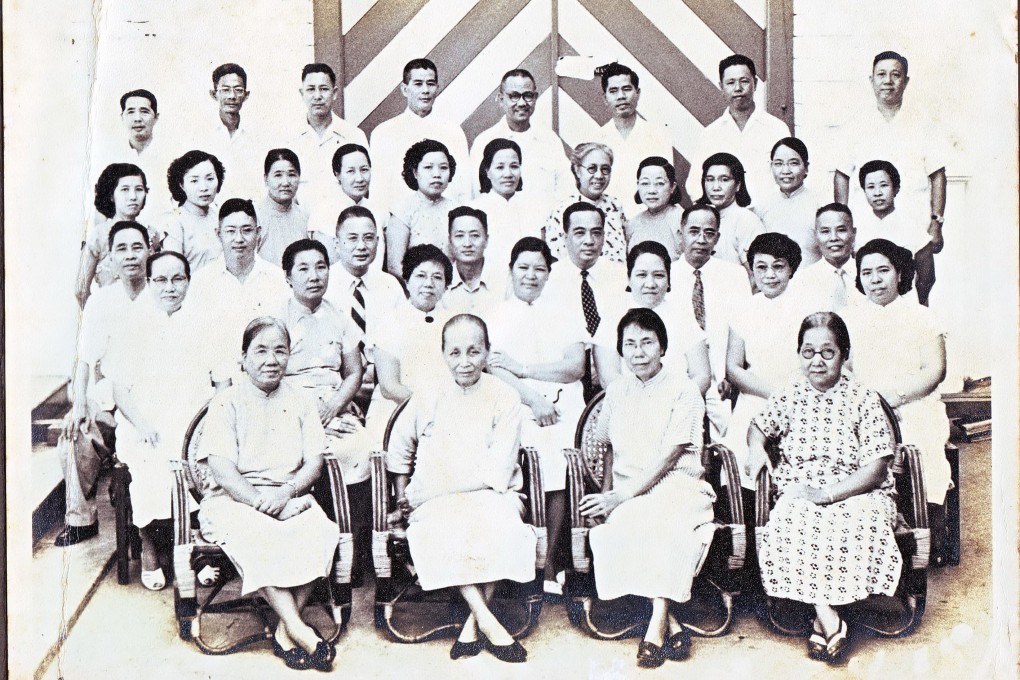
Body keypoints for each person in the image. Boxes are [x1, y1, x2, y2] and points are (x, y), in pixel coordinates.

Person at [747, 312, 902, 665]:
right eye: (808, 352)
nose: (817, 361)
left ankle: (821, 621)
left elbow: (877, 467)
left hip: (858, 491)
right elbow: (758, 427)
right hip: (802, 489)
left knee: (857, 521)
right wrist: (756, 447)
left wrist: (829, 495)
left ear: (844, 354)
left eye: (827, 352)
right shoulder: (789, 394)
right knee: (792, 520)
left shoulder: (863, 397)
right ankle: (828, 617)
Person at [386, 314, 535, 664]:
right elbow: (399, 447)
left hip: (491, 494)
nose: (464, 361)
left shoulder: (505, 396)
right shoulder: (427, 394)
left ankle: (472, 623)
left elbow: (497, 471)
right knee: (442, 531)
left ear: (487, 352)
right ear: (443, 354)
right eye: (454, 352)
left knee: (501, 527)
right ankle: (487, 621)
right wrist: (402, 493)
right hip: (433, 502)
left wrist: (432, 491)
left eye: (473, 351)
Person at [197, 317, 340, 671]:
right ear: (243, 358)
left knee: (320, 531)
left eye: (280, 350)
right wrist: (265, 506)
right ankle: (299, 628)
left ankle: (282, 630)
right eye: (260, 350)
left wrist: (288, 493)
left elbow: (314, 463)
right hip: (234, 500)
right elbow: (222, 470)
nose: (271, 359)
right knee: (259, 535)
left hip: (288, 495)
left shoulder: (302, 399)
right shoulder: (226, 401)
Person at [580, 308, 716, 668]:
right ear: (621, 352)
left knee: (662, 524)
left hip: (680, 486)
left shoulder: (684, 390)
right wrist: (608, 495)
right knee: (625, 525)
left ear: (662, 347)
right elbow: (605, 447)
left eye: (646, 343)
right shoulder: (617, 391)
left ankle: (654, 627)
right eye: (630, 345)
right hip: (629, 489)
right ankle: (670, 622)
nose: (638, 352)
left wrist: (622, 496)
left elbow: (672, 454)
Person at [111, 251, 217, 591]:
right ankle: (149, 545)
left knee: (200, 459)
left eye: (178, 279)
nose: (170, 287)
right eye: (161, 280)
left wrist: (210, 422)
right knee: (152, 462)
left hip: (193, 423)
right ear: (150, 282)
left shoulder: (205, 323)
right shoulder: (132, 325)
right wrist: (142, 424)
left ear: (188, 281)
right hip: (145, 424)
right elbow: (120, 391)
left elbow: (223, 385)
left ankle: (193, 550)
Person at [487, 237, 586, 596]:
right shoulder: (495, 314)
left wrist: (524, 367)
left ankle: (548, 560)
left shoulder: (565, 312)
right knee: (527, 451)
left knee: (559, 453)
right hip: (516, 403)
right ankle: (524, 559)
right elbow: (495, 369)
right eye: (523, 268)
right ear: (511, 270)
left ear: (548, 274)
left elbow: (574, 367)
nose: (531, 275)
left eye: (539, 269)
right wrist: (533, 400)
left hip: (563, 405)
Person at [843, 238, 951, 557]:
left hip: (914, 403)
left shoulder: (922, 317)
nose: (875, 279)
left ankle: (919, 530)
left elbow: (935, 371)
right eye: (867, 273)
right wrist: (867, 402)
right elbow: (843, 370)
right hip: (862, 406)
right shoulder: (847, 318)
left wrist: (894, 398)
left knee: (918, 443)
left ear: (899, 274)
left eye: (883, 271)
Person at [277, 238, 369, 583]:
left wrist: (334, 407)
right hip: (289, 408)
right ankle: (305, 563)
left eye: (321, 267)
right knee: (299, 456)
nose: (314, 275)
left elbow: (354, 372)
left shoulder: (339, 317)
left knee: (359, 448)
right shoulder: (276, 318)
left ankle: (349, 556)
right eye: (303, 268)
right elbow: (269, 375)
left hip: (333, 406)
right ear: (288, 277)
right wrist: (309, 413)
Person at [56, 222, 153, 546]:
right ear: (109, 257)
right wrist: (80, 404)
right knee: (75, 435)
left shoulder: (161, 293)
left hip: (151, 401)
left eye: (137, 247)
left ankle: (152, 522)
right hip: (109, 400)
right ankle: (81, 519)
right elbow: (85, 359)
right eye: (121, 249)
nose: (130, 256)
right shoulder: (101, 301)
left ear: (150, 250)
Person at [834, 51, 946, 304]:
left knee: (917, 289)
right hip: (868, 221)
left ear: (906, 81)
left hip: (913, 221)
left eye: (896, 75)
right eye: (881, 75)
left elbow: (937, 174)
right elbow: (841, 175)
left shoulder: (923, 124)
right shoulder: (855, 124)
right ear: (871, 80)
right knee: (867, 289)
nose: (888, 81)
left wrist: (936, 221)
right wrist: (843, 224)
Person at [187, 199, 291, 384]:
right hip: (213, 384)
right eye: (230, 231)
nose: (239, 239)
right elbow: (194, 342)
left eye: (247, 230)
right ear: (218, 234)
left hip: (267, 381)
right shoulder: (201, 282)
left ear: (258, 233)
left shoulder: (276, 279)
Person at [670, 204, 751, 438]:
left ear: (717, 238)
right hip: (680, 379)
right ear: (681, 234)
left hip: (721, 382)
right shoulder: (667, 275)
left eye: (709, 233)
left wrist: (729, 377)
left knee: (729, 439)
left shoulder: (733, 276)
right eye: (694, 231)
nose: (701, 239)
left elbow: (741, 331)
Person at [364, 245, 455, 450]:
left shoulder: (454, 322)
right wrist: (427, 413)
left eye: (437, 278)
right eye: (421, 275)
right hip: (398, 408)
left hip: (445, 412)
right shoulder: (390, 321)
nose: (428, 284)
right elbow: (389, 387)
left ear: (446, 285)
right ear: (407, 280)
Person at [593, 240, 711, 396]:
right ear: (629, 278)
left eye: (659, 275)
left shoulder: (682, 315)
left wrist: (676, 401)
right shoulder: (613, 315)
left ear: (669, 280)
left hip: (677, 405)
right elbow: (608, 377)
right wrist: (643, 402)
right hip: (628, 405)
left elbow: (702, 375)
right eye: (641, 275)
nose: (650, 283)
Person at [542, 202, 627, 402]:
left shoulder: (622, 277)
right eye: (580, 233)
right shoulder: (550, 280)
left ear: (604, 237)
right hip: (568, 383)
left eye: (596, 233)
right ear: (565, 238)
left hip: (616, 376)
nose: (589, 241)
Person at [686, 54, 791, 203]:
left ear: (755, 83)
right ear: (721, 87)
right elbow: (695, 184)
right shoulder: (710, 134)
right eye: (730, 82)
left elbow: (790, 178)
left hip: (769, 216)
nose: (738, 88)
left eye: (744, 81)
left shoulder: (777, 129)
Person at [370, 58, 471, 208]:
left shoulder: (453, 131)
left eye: (430, 84)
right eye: (418, 84)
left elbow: (463, 188)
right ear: (404, 89)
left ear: (437, 88)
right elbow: (378, 191)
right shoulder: (384, 132)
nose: (425, 90)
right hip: (399, 221)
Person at [469, 68, 568, 215]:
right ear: (501, 99)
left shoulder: (550, 141)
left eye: (528, 96)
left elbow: (565, 191)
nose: (522, 103)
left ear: (535, 98)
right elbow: (477, 194)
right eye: (514, 96)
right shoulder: (484, 142)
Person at [593, 62, 676, 217]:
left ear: (637, 93)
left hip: (650, 218)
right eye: (613, 91)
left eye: (627, 89)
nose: (621, 96)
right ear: (604, 98)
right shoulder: (596, 140)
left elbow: (665, 186)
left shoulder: (658, 135)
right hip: (608, 221)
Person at [289, 63, 369, 215]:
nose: (317, 96)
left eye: (324, 89)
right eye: (311, 89)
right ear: (302, 93)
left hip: (342, 224)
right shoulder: (289, 138)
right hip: (300, 224)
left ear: (335, 93)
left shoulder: (353, 136)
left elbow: (364, 186)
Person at [855, 160, 932, 303]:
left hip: (905, 304)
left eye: (884, 185)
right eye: (870, 187)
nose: (877, 193)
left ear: (896, 188)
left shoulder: (913, 228)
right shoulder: (857, 230)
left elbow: (927, 277)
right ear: (864, 191)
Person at [76, 163, 150, 306]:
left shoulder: (151, 233)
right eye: (125, 190)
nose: (133, 197)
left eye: (139, 189)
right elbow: (80, 289)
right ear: (111, 195)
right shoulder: (98, 235)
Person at [544, 142, 628, 264]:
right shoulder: (561, 210)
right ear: (577, 170)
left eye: (605, 169)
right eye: (592, 169)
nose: (599, 175)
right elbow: (557, 260)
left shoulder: (616, 206)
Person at [384, 138, 457, 275]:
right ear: (415, 172)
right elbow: (394, 267)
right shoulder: (403, 210)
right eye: (428, 167)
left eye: (443, 168)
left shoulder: (456, 210)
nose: (436, 174)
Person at [470, 138, 544, 271]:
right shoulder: (474, 210)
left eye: (514, 166)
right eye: (500, 167)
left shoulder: (534, 206)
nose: (508, 174)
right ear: (487, 171)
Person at [752, 137, 825, 265]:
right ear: (771, 166)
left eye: (794, 163)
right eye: (779, 164)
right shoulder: (762, 206)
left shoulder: (820, 204)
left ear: (806, 168)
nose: (786, 171)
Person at [310, 143, 387, 264]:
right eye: (351, 171)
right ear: (337, 174)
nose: (359, 178)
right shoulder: (323, 213)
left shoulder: (379, 211)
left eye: (364, 170)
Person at [696, 152, 765, 272]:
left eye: (724, 180)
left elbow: (755, 276)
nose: (716, 187)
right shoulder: (705, 218)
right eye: (710, 179)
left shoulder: (746, 220)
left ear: (738, 185)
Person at [201, 63, 261, 198]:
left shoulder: (256, 137)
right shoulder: (202, 135)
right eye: (225, 90)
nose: (232, 96)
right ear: (213, 94)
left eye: (238, 90)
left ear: (246, 95)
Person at [792, 203, 865, 313]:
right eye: (825, 231)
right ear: (816, 236)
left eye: (841, 230)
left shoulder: (868, 274)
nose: (833, 238)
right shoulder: (802, 280)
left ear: (853, 233)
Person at [162, 149, 227, 271]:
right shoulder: (175, 221)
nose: (204, 188)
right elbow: (172, 270)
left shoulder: (219, 217)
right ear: (181, 185)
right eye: (194, 181)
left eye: (210, 179)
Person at [255, 148, 310, 268]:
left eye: (291, 174)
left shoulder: (305, 216)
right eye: (278, 175)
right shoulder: (255, 217)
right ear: (266, 179)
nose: (285, 182)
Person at [444, 206, 503, 317]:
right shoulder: (440, 282)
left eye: (475, 235)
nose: (467, 244)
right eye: (459, 236)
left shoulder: (504, 280)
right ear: (450, 241)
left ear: (486, 240)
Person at [625, 156, 684, 260]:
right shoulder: (631, 224)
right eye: (645, 183)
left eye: (660, 183)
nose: (652, 190)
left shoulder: (683, 220)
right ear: (638, 185)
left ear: (672, 187)